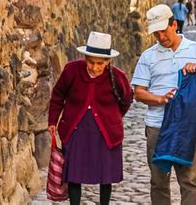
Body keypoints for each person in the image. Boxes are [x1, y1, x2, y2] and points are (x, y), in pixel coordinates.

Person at [131, 4, 196, 204]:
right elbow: (138, 93)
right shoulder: (148, 57)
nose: (160, 37)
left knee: (189, 180)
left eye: (163, 31)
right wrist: (160, 99)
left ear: (174, 24)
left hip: (187, 127)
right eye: (156, 34)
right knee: (158, 181)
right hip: (157, 126)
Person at [48, 31, 133, 205]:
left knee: (105, 175)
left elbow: (126, 100)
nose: (94, 67)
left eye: (100, 63)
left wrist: (113, 118)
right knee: (73, 173)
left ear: (108, 61)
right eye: (90, 61)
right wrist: (53, 121)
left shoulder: (118, 77)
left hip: (105, 132)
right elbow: (58, 95)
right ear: (85, 57)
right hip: (76, 130)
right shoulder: (72, 70)